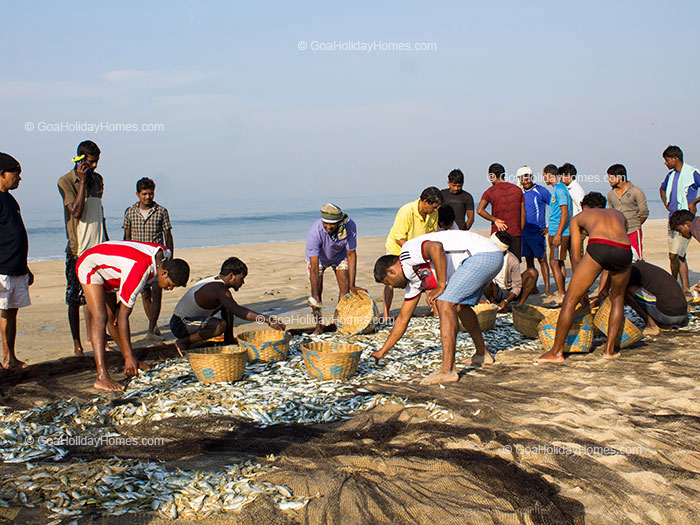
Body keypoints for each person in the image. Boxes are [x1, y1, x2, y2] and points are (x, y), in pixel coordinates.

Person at [371, 230, 503, 385]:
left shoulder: (407, 253)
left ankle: (448, 370)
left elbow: (436, 247)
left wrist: (441, 285)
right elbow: (402, 319)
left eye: (388, 282)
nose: (391, 286)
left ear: (391, 271)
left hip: (483, 255)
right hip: (488, 256)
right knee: (460, 306)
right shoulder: (414, 282)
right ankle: (482, 354)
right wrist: (382, 352)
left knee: (444, 302)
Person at [76, 241, 189, 391]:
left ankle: (131, 359)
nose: (170, 288)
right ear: (163, 273)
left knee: (112, 318)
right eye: (170, 284)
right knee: (101, 318)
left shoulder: (165, 256)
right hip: (92, 265)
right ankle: (102, 376)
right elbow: (124, 316)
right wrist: (129, 356)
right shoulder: (140, 271)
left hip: (113, 270)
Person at [538, 192, 632, 362]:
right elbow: (616, 242)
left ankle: (556, 352)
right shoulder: (618, 215)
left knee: (570, 300)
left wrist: (580, 287)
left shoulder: (580, 217)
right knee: (618, 298)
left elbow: (576, 255)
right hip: (624, 251)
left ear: (584, 207)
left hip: (599, 247)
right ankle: (609, 350)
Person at [171, 257, 285, 353]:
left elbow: (232, 308)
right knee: (219, 325)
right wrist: (268, 319)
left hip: (190, 320)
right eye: (241, 279)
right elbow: (239, 311)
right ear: (231, 276)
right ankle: (184, 342)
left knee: (228, 305)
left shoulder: (218, 284)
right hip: (180, 323)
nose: (243, 283)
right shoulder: (218, 289)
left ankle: (229, 339)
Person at [57, 140, 104, 356]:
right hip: (78, 251)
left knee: (96, 298)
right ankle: (77, 344)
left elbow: (97, 214)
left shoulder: (98, 180)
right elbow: (76, 212)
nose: (94, 167)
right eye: (91, 162)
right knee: (75, 299)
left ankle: (96, 337)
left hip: (98, 248)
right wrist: (83, 182)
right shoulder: (66, 181)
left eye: (96, 162)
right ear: (81, 159)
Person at [123, 177, 174, 341]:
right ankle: (153, 325)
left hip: (158, 260)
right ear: (138, 194)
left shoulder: (161, 211)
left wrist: (171, 257)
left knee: (157, 292)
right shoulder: (130, 212)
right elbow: (127, 237)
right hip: (138, 261)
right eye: (144, 194)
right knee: (145, 294)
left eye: (150, 194)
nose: (148, 197)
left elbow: (168, 235)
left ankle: (151, 329)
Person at [383, 187, 442, 320]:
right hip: (397, 249)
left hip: (418, 251)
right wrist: (414, 252)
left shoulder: (433, 213)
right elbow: (399, 238)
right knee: (390, 283)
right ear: (425, 201)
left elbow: (432, 235)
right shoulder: (406, 211)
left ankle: (436, 313)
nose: (435, 210)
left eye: (437, 207)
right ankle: (386, 315)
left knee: (428, 279)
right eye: (434, 207)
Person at [305, 203, 362, 333]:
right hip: (318, 259)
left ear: (340, 222)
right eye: (326, 223)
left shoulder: (350, 226)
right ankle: (318, 326)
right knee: (316, 294)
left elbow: (351, 255)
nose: (328, 227)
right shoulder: (315, 231)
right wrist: (314, 295)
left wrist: (353, 284)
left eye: (332, 224)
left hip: (340, 256)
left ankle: (339, 323)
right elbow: (314, 267)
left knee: (345, 288)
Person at [0, 154, 33, 369]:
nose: (19, 179)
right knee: (2, 312)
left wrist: (25, 266)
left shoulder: (10, 199)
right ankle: (4, 357)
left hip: (17, 267)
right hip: (2, 267)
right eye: (15, 174)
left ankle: (10, 356)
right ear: (2, 175)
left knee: (12, 311)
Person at [659, 145, 700, 292]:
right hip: (673, 219)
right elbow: (662, 188)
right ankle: (676, 284)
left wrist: (694, 202)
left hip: (685, 221)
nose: (665, 163)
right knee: (673, 255)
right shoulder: (670, 176)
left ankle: (684, 287)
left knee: (679, 254)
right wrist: (666, 203)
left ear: (676, 159)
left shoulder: (692, 173)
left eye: (667, 160)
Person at [622, 261, 687, 335]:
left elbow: (621, 295)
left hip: (668, 315)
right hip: (683, 314)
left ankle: (651, 325)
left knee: (627, 292)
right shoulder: (645, 268)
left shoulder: (631, 272)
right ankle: (663, 323)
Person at [477, 163, 525, 259]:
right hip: (515, 233)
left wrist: (494, 220)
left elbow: (479, 210)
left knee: (498, 264)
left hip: (498, 234)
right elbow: (523, 213)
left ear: (492, 176)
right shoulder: (517, 190)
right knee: (514, 265)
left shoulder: (489, 192)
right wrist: (520, 231)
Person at [518, 166, 552, 296]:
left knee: (542, 260)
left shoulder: (541, 191)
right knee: (529, 260)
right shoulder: (519, 192)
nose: (525, 180)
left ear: (531, 177)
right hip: (524, 233)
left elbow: (555, 207)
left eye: (527, 177)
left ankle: (548, 289)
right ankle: (533, 287)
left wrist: (550, 227)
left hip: (537, 233)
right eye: (522, 178)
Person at [484, 231, 538, 311]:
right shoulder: (486, 256)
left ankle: (520, 304)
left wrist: (506, 300)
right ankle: (494, 304)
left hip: (509, 291)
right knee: (484, 280)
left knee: (533, 272)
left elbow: (517, 285)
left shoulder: (512, 260)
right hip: (495, 291)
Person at [543, 164, 572, 302]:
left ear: (549, 175)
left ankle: (562, 293)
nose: (544, 178)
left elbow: (565, 213)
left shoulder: (560, 189)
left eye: (544, 175)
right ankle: (563, 291)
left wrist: (558, 234)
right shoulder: (556, 189)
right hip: (554, 230)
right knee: (558, 262)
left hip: (559, 233)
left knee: (554, 262)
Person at [607, 164, 648, 259]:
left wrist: (636, 224)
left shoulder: (636, 191)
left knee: (637, 258)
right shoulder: (610, 195)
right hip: (618, 232)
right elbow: (612, 213)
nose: (608, 180)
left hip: (633, 230)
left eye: (610, 177)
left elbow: (644, 212)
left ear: (619, 177)